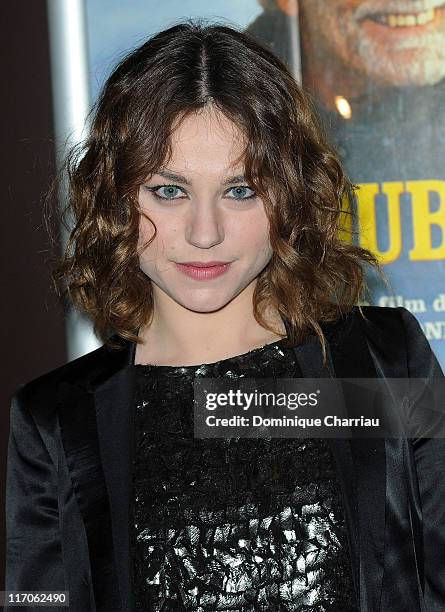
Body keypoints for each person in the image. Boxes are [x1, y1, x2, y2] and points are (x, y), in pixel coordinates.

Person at [5, 19, 445, 612]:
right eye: (169, 190)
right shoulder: (61, 420)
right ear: (115, 197)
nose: (203, 233)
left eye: (240, 190)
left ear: (288, 193)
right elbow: (35, 601)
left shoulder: (380, 362)